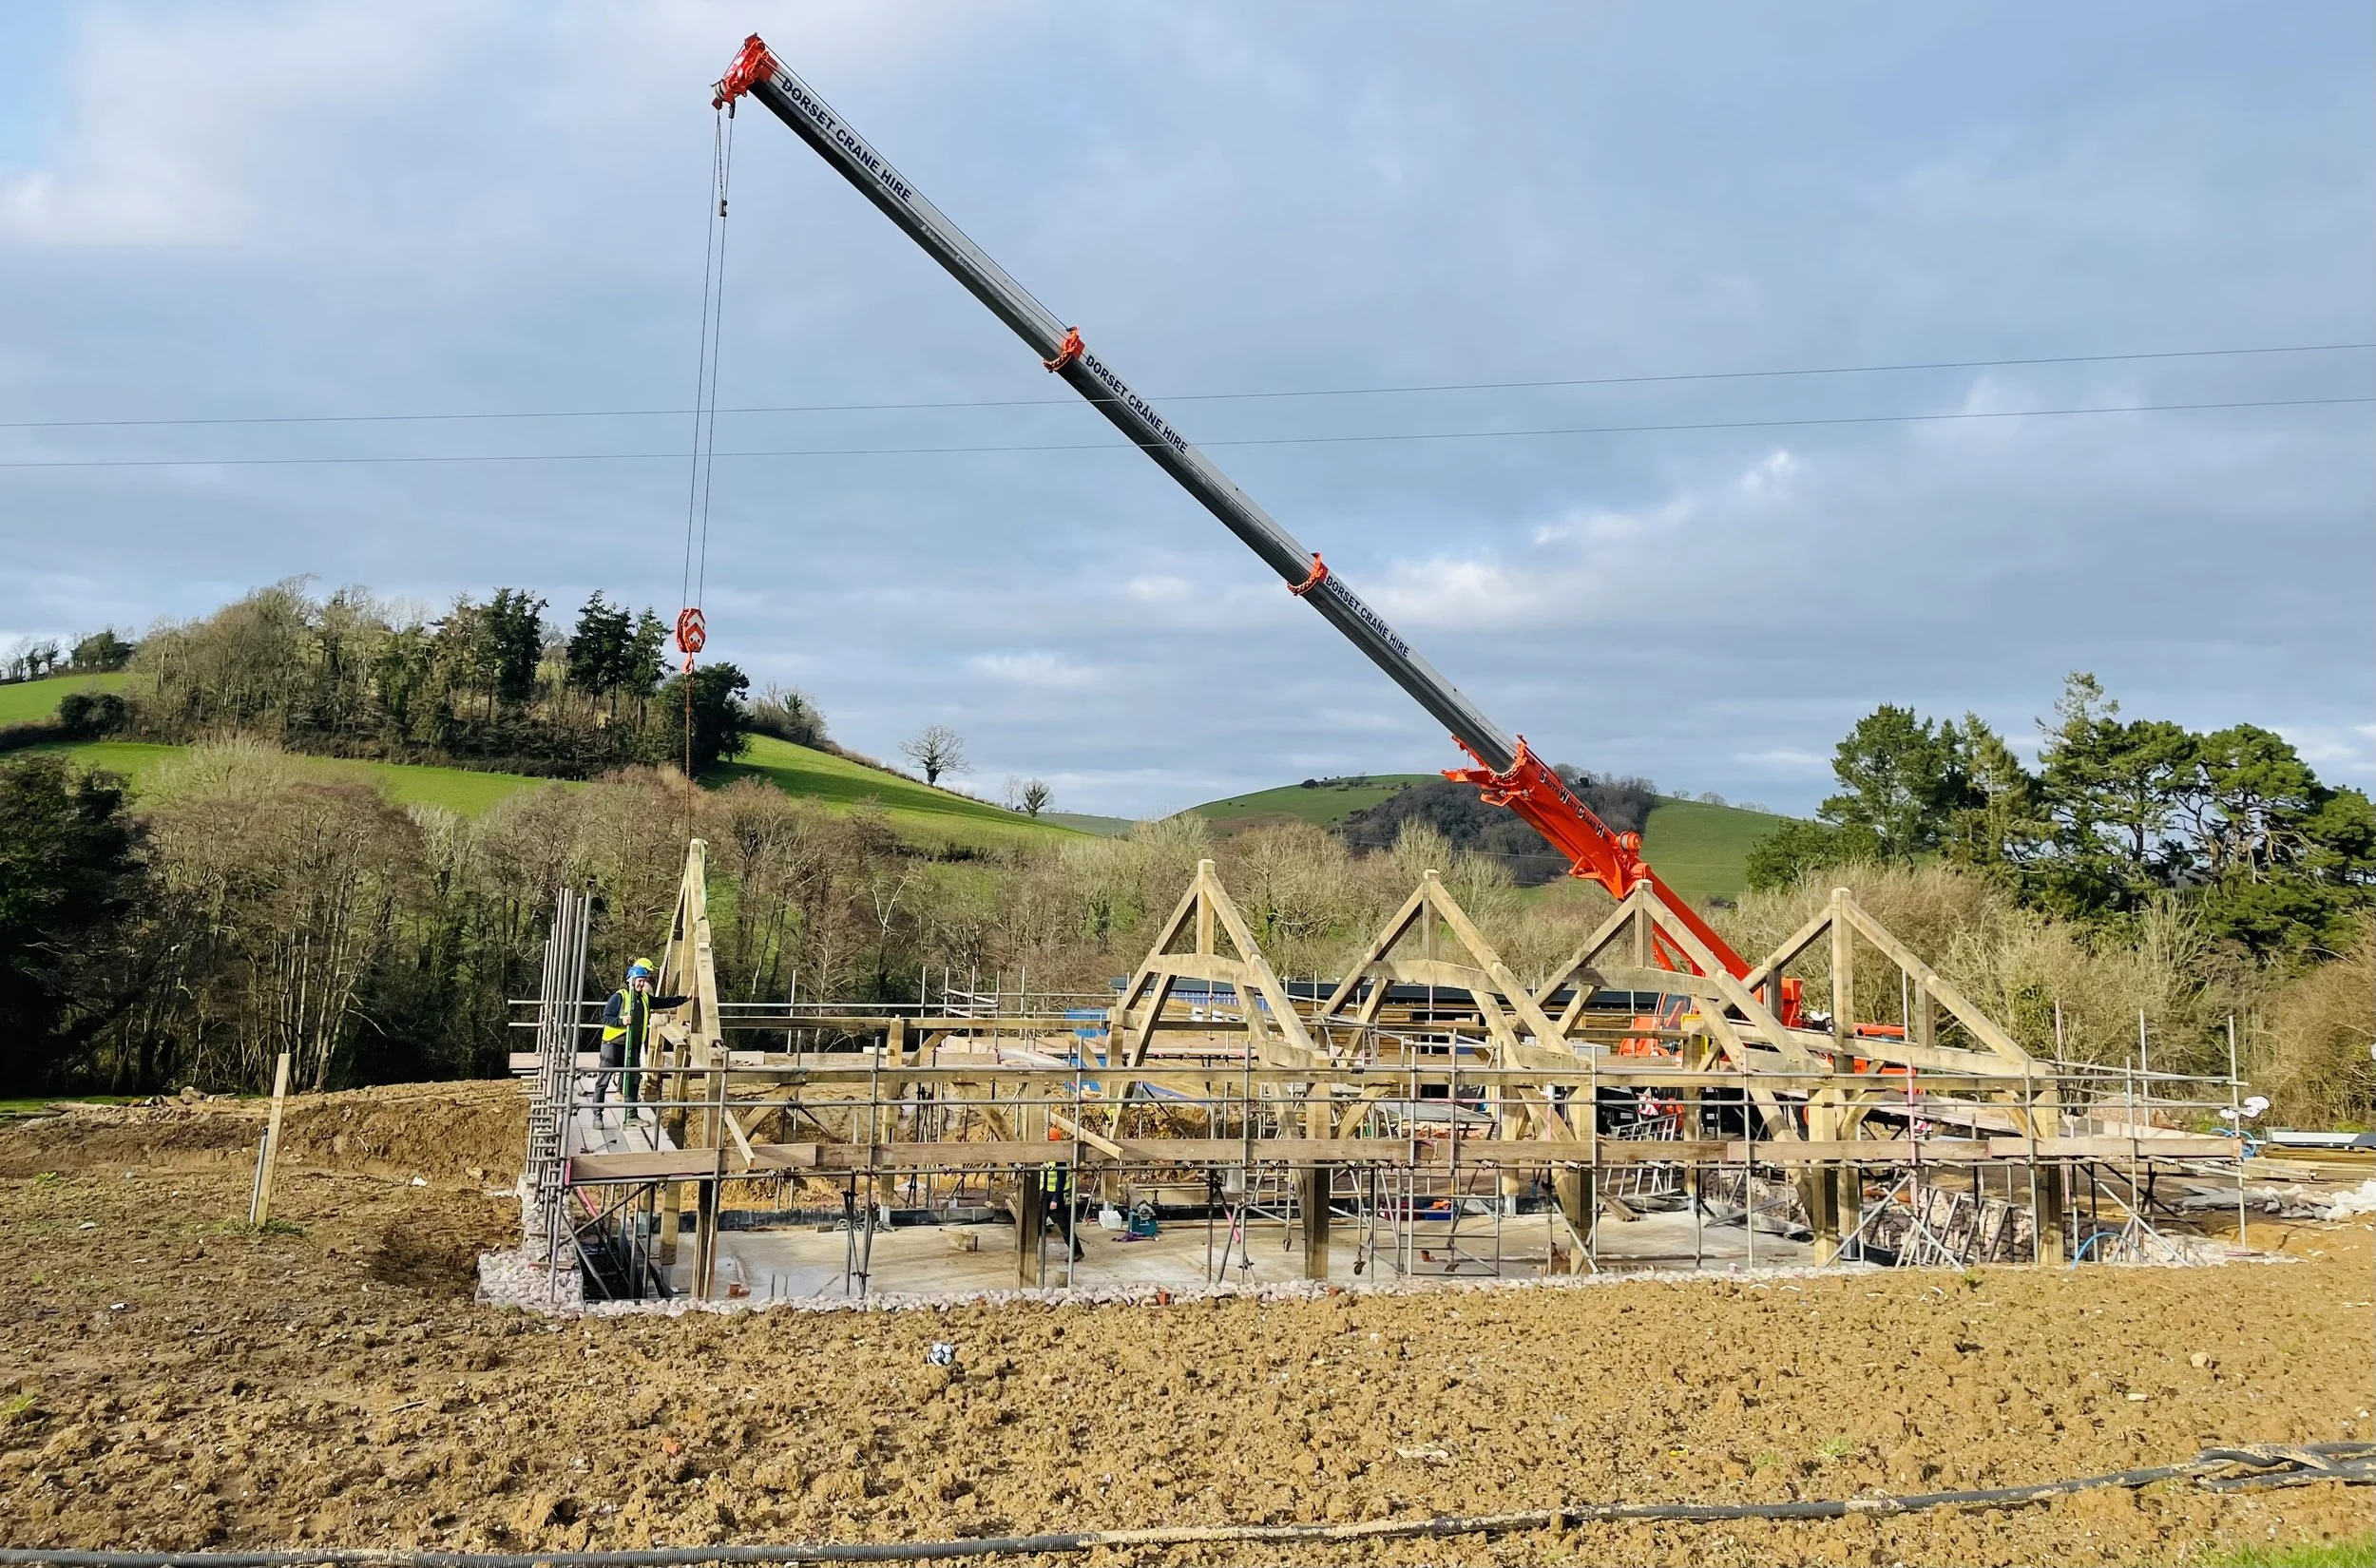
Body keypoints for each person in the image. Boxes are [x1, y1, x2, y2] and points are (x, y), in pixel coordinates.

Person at [596, 958, 688, 1116]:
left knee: (634, 1079)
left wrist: (684, 999)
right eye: (639, 981)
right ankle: (597, 1114)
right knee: (604, 1080)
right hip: (613, 1044)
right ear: (631, 980)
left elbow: (664, 1002)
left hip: (633, 1044)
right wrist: (621, 1021)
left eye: (644, 981)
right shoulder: (619, 997)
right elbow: (606, 1018)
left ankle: (632, 1114)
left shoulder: (644, 998)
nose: (642, 984)